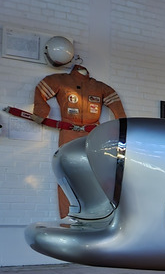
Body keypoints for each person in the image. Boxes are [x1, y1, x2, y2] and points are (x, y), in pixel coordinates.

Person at [33, 64, 126, 217]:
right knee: (66, 174)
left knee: (97, 173)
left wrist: (121, 126)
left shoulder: (99, 87)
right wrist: (41, 111)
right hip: (68, 133)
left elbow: (115, 102)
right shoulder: (61, 80)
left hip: (93, 134)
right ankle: (67, 218)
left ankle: (97, 216)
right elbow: (41, 88)